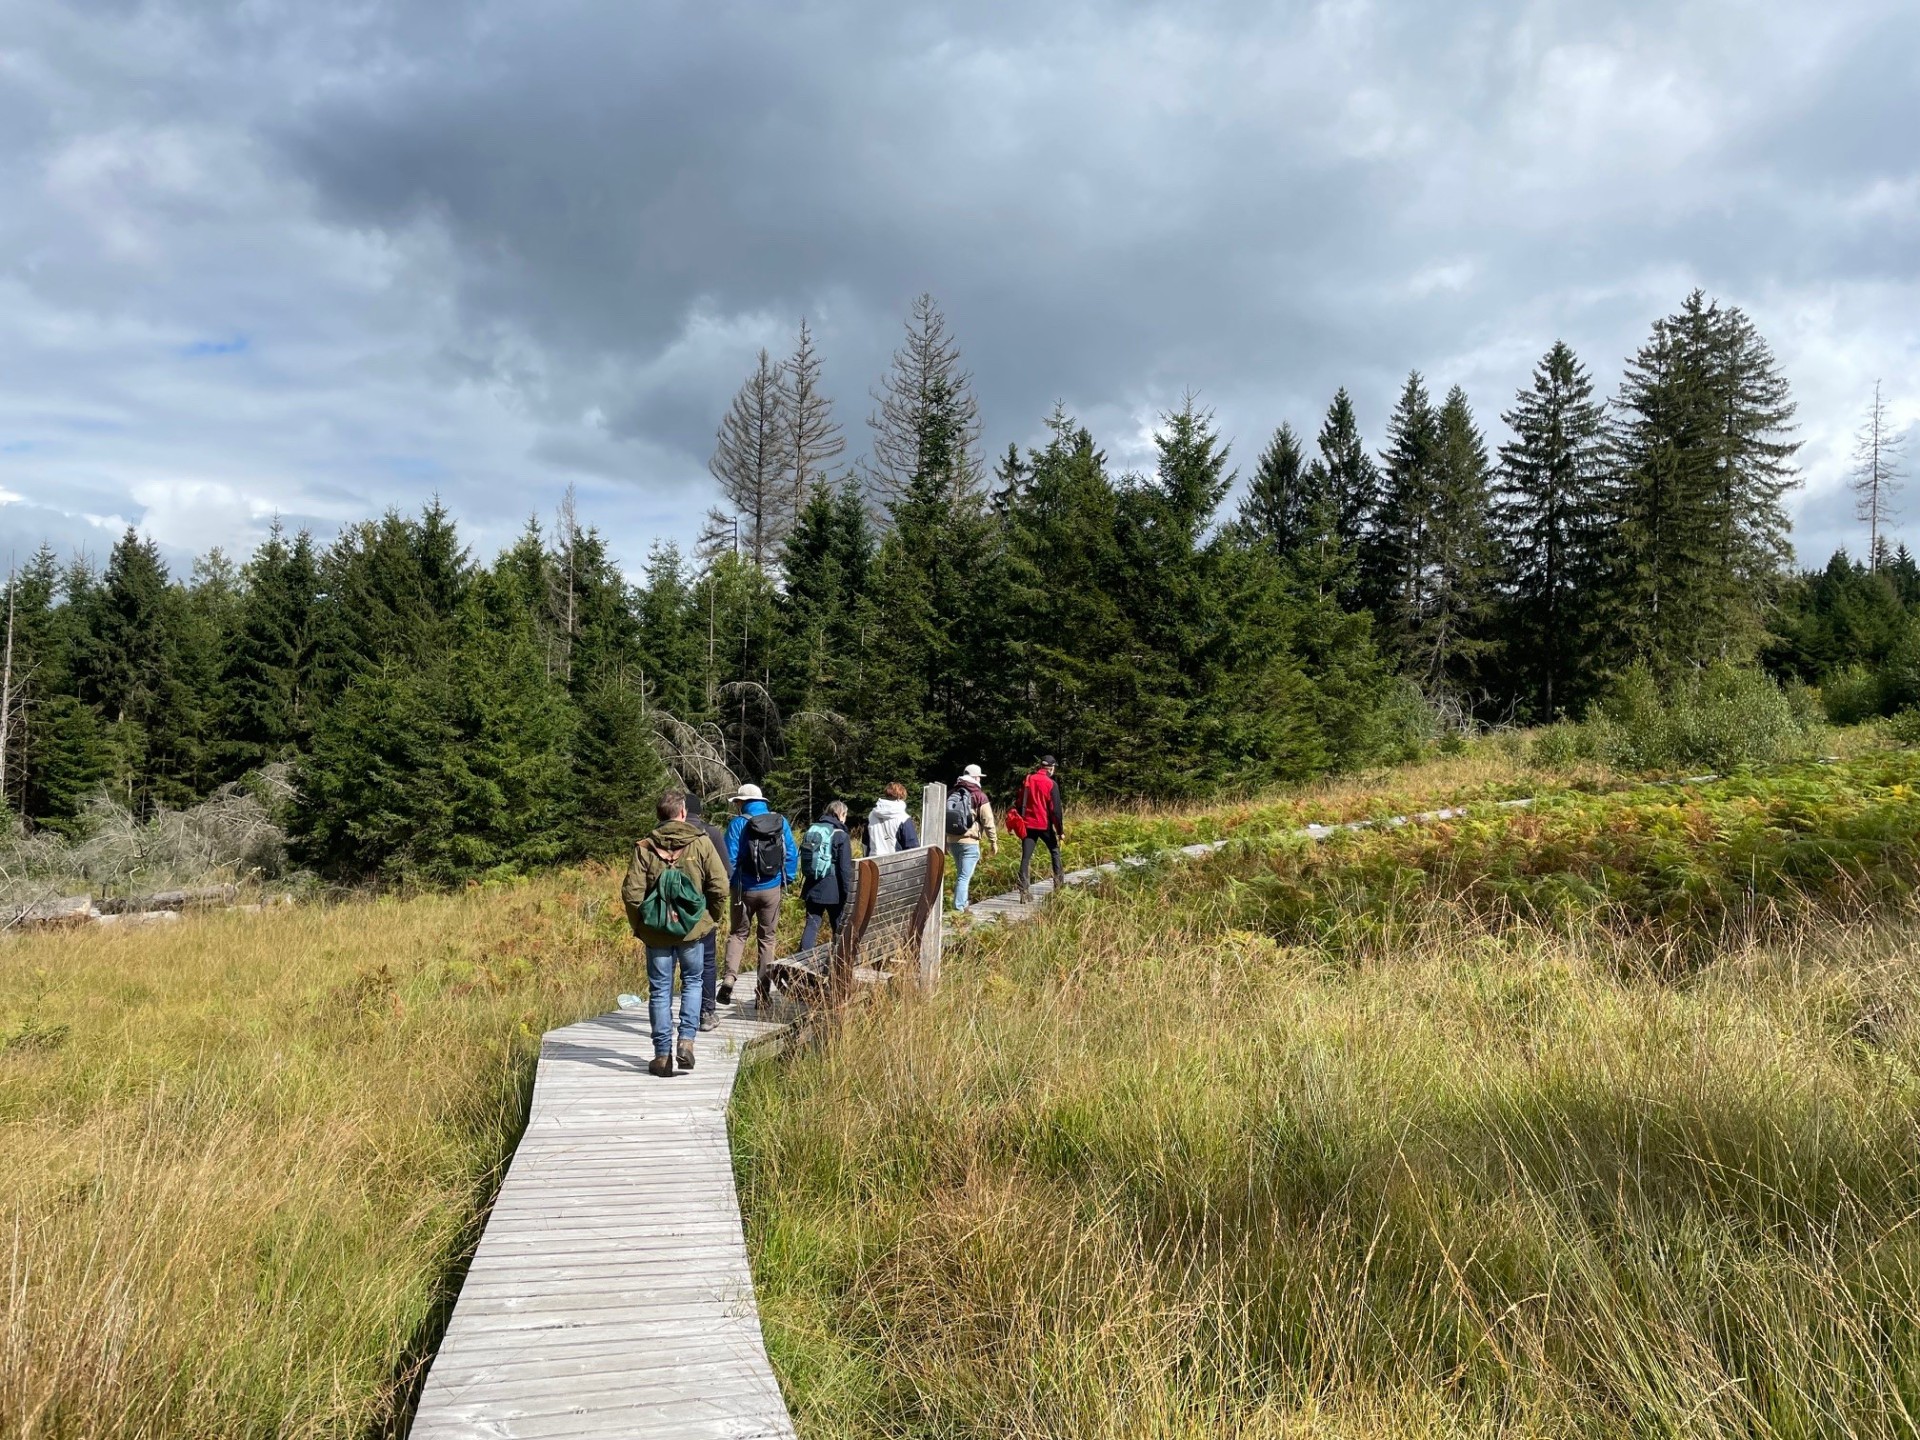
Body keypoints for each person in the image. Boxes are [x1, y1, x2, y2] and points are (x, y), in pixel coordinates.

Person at [620, 789, 729, 1077]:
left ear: (660, 815)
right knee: (693, 982)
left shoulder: (644, 847)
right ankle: (687, 1043)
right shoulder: (701, 843)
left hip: (655, 933)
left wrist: (640, 926)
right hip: (693, 932)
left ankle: (662, 1056)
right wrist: (708, 919)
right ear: (682, 813)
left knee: (660, 991)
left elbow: (631, 894)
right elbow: (720, 887)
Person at [720, 782, 798, 1004]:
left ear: (742, 803)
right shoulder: (780, 822)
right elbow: (791, 853)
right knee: (767, 939)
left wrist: (734, 886)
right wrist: (786, 880)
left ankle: (729, 979)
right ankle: (763, 993)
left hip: (744, 889)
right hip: (772, 888)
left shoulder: (737, 824)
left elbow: (729, 860)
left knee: (738, 934)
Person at [685, 792, 728, 1031]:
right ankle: (706, 1013)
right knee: (707, 961)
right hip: (703, 909)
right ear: (699, 811)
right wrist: (715, 911)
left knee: (672, 965)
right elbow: (725, 875)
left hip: (670, 912)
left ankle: (675, 1015)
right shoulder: (710, 833)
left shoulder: (664, 834)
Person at [797, 800, 856, 951]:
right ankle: (841, 961)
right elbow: (845, 868)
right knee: (838, 924)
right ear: (840, 814)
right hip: (833, 889)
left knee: (812, 924)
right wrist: (848, 892)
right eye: (845, 815)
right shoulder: (841, 835)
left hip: (812, 884)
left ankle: (803, 961)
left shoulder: (813, 829)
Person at [1009, 754, 1066, 903]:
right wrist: (1060, 831)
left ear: (1041, 767)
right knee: (1054, 851)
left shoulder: (1028, 779)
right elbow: (1056, 811)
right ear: (1051, 768)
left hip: (1027, 824)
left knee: (1026, 857)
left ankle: (1023, 891)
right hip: (1044, 824)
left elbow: (1020, 800)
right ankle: (1059, 888)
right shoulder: (1051, 784)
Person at [946, 763, 998, 912]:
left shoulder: (951, 793)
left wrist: (945, 842)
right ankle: (959, 908)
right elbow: (988, 821)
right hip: (970, 842)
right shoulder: (979, 795)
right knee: (964, 877)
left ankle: (962, 903)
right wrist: (993, 841)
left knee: (961, 874)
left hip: (952, 841)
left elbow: (944, 819)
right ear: (975, 777)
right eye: (979, 777)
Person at [866, 781, 921, 856]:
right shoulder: (903, 817)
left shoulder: (871, 815)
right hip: (895, 862)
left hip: (872, 861)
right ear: (900, 797)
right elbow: (912, 846)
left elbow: (865, 842)